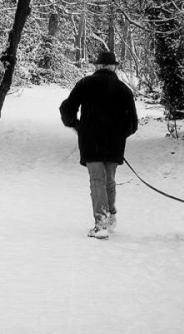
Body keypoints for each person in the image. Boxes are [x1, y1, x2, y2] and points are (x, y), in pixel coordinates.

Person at [59, 51, 139, 239]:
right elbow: (133, 123)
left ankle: (101, 223)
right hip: (114, 143)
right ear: (114, 67)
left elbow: (66, 108)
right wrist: (120, 134)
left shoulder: (85, 84)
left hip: (91, 140)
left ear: (97, 66)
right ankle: (110, 217)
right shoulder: (123, 89)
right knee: (109, 179)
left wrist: (76, 125)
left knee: (97, 180)